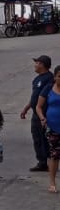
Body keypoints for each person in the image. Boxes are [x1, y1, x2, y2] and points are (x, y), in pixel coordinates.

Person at [20, 54, 53, 172]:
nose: (35, 65)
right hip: (36, 113)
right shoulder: (37, 79)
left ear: (42, 65)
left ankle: (48, 161)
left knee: (45, 138)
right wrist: (26, 108)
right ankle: (42, 162)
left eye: (37, 63)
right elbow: (34, 97)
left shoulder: (49, 78)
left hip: (44, 114)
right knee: (37, 137)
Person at [36, 66, 60, 194]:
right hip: (52, 126)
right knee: (54, 155)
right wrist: (42, 118)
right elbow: (38, 107)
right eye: (59, 76)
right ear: (55, 77)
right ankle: (52, 182)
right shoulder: (49, 88)